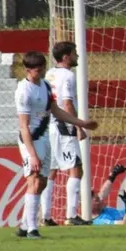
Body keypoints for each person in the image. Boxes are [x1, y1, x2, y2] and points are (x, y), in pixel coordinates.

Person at [15, 51, 99, 239]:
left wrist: (81, 123)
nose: (42, 72)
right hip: (31, 139)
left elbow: (56, 110)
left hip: (45, 138)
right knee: (35, 180)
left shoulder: (45, 85)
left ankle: (23, 225)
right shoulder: (23, 90)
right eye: (38, 70)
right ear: (28, 70)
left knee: (42, 182)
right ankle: (32, 229)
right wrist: (32, 155)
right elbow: (23, 126)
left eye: (43, 68)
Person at [42, 41, 90, 226]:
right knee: (76, 168)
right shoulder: (68, 76)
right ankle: (71, 215)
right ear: (66, 57)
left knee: (51, 171)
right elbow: (68, 103)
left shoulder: (49, 74)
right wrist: (78, 126)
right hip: (64, 126)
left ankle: (46, 216)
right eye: (74, 53)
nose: (77, 56)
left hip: (51, 126)